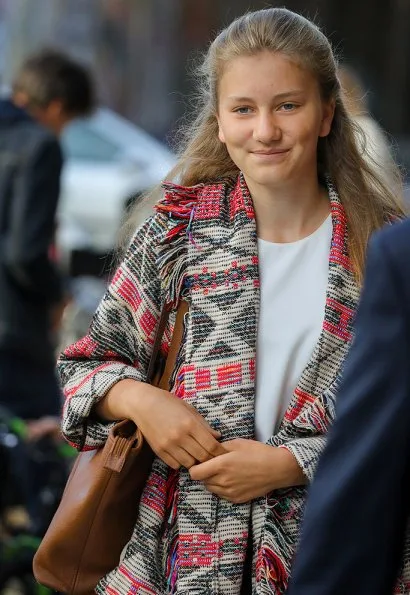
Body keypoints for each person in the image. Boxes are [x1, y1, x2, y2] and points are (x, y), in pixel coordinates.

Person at [58, 8, 404, 595]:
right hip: (177, 558)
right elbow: (85, 367)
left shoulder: (381, 249)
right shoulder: (176, 235)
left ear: (326, 114)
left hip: (330, 556)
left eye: (287, 106)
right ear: (218, 120)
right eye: (243, 109)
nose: (264, 130)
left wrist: (293, 464)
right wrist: (143, 401)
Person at [286, 217, 410, 595]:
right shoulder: (173, 228)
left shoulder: (381, 238)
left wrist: (295, 461)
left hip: (306, 532)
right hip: (180, 550)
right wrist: (141, 399)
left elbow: (374, 449)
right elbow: (101, 357)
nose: (268, 151)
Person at [0, 49, 94, 532]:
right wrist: (57, 294)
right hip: (14, 334)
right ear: (56, 107)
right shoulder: (40, 146)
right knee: (45, 453)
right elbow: (25, 252)